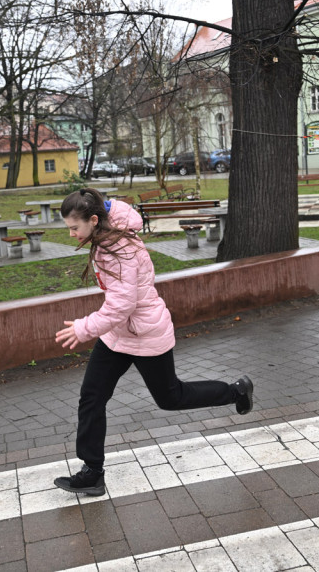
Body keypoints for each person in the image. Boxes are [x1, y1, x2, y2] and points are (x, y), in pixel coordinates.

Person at [53, 188, 253, 496]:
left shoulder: (117, 249)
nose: (71, 234)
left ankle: (236, 392)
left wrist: (84, 328)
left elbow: (122, 304)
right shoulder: (109, 236)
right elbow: (119, 310)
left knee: (170, 397)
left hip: (145, 333)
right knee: (91, 397)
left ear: (93, 220)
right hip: (117, 335)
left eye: (74, 227)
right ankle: (92, 471)